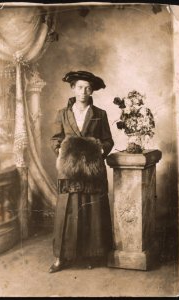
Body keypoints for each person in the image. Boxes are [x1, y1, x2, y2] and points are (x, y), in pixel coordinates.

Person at [49, 71, 114, 273]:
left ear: (92, 90)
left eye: (87, 88)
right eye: (79, 87)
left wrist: (100, 149)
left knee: (91, 211)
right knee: (67, 211)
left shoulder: (100, 114)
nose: (83, 91)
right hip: (69, 168)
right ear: (73, 88)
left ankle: (90, 255)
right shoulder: (62, 113)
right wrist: (60, 150)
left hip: (92, 169)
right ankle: (61, 258)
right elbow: (54, 139)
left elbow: (108, 140)